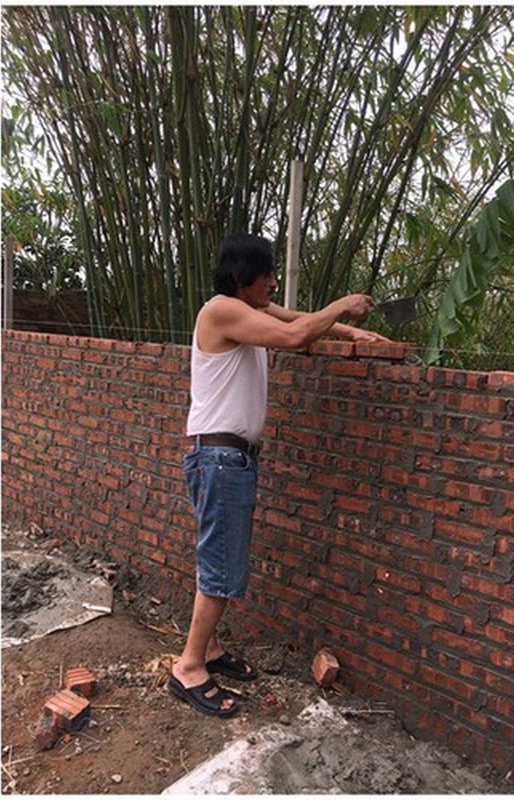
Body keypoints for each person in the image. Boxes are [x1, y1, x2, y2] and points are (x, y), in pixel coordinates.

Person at [168, 232, 388, 717]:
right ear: (241, 276)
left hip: (229, 458)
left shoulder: (247, 313)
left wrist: (351, 333)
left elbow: (296, 321)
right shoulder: (220, 310)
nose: (272, 281)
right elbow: (295, 335)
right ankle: (188, 668)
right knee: (222, 567)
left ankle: (209, 649)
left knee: (220, 559)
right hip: (220, 458)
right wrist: (344, 304)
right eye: (266, 273)